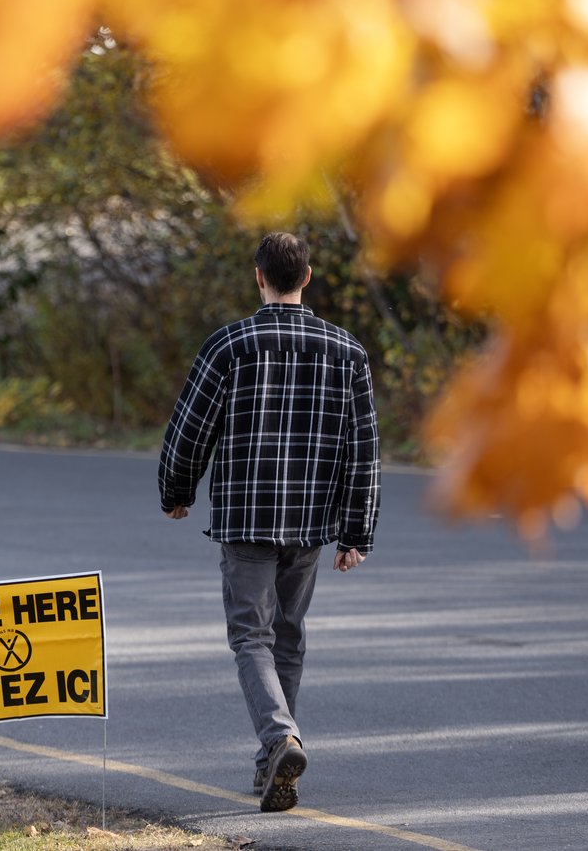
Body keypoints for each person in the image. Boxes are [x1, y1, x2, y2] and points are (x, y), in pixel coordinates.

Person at [158, 232, 381, 813]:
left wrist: (176, 492)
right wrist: (357, 531)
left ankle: (280, 738)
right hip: (309, 522)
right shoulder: (347, 351)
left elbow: (189, 430)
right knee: (287, 635)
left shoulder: (229, 345)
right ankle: (272, 763)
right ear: (306, 277)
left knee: (251, 636)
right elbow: (363, 450)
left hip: (245, 515)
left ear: (259, 276)